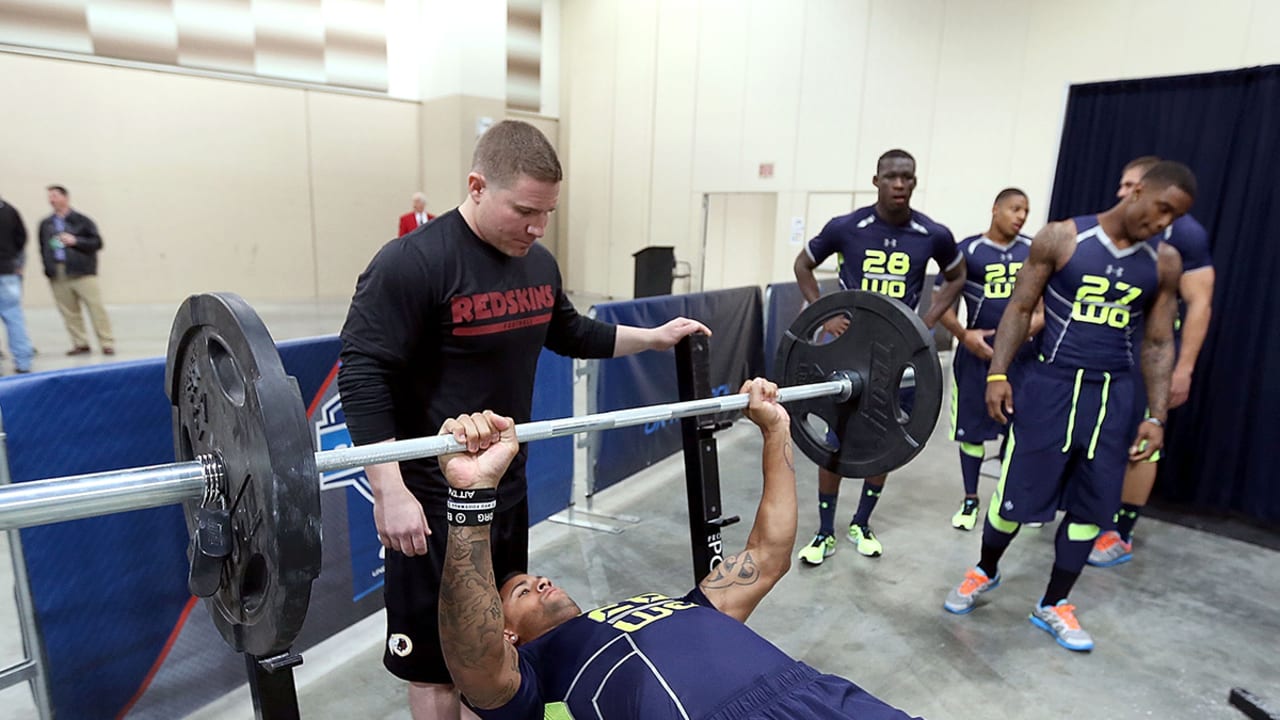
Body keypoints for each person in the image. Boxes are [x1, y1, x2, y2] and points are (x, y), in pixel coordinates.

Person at [338, 119, 710, 720]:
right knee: (434, 661)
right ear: (478, 185)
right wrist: (390, 490)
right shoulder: (411, 263)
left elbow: (569, 331)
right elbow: (362, 374)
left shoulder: (537, 263)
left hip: (505, 491)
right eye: (524, 212)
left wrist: (653, 337)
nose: (536, 228)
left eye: (547, 215)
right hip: (433, 502)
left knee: (492, 642)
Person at [436, 379, 921, 719]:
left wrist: (776, 431)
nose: (540, 580)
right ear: (508, 637)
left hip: (814, 694)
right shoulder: (535, 685)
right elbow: (472, 655)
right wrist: (473, 495)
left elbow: (768, 555)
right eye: (522, 592)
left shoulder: (680, 608)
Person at [942, 161, 1196, 652]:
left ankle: (1053, 602)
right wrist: (998, 372)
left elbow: (1159, 343)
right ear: (1138, 191)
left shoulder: (1163, 262)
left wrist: (1156, 415)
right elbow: (1019, 308)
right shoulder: (1062, 238)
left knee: (1090, 506)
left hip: (1113, 397)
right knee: (1014, 497)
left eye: (1175, 218)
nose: (1164, 223)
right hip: (1049, 386)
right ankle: (985, 569)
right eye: (1163, 208)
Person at [792, 148, 966, 564]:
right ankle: (823, 532)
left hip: (899, 357)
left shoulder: (932, 234)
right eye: (891, 177)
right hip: (849, 354)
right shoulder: (847, 227)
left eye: (907, 178)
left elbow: (957, 275)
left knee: (886, 439)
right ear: (876, 181)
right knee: (835, 439)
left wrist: (927, 322)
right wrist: (825, 315)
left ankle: (862, 522)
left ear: (915, 182)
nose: (900, 185)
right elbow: (803, 265)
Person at [1088, 156, 1215, 567]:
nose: (1123, 192)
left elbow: (1200, 304)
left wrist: (1184, 368)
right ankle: (1089, 514)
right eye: (1122, 184)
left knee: (1143, 440)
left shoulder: (1185, 235)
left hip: (1152, 351)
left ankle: (1120, 534)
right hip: (1111, 344)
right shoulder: (1110, 228)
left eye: (1131, 185)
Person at [934, 188, 1040, 530]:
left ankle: (1009, 499)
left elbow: (1044, 307)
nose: (1021, 216)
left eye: (1025, 210)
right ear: (995, 210)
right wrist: (965, 335)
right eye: (1014, 208)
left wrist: (1022, 334)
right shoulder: (968, 250)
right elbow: (942, 302)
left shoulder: (1032, 250)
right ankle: (970, 499)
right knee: (972, 431)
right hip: (977, 353)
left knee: (1019, 427)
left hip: (1023, 358)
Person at [37, 185, 113, 356]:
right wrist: (48, 268)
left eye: (55, 196)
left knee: (95, 307)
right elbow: (42, 247)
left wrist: (76, 241)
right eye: (49, 196)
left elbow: (96, 242)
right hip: (58, 271)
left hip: (82, 271)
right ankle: (80, 342)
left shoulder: (82, 220)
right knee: (69, 311)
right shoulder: (46, 224)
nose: (51, 200)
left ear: (65, 197)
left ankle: (106, 341)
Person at [0, 195, 34, 373]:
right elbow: (22, 238)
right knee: (14, 317)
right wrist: (17, 263)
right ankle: (23, 362)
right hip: (7, 272)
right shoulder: (9, 210)